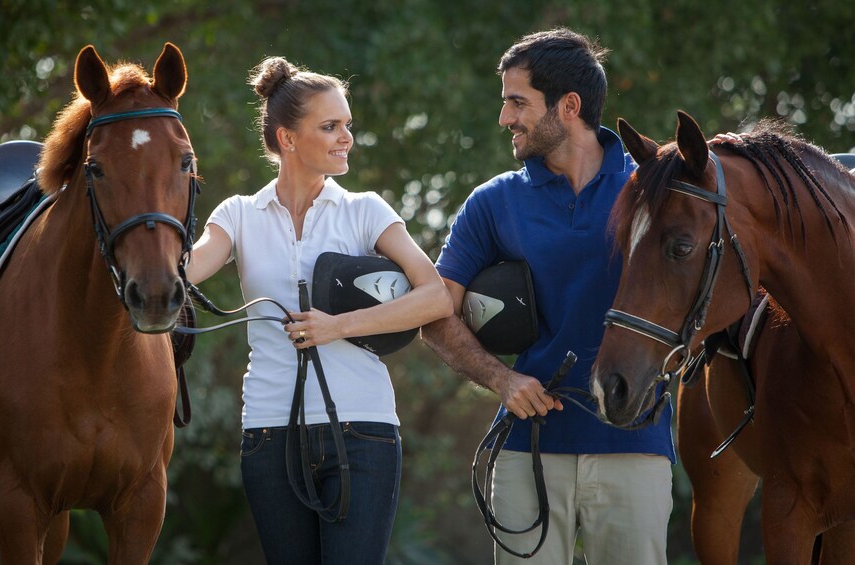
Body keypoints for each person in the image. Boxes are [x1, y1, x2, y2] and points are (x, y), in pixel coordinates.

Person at [421, 28, 674, 564]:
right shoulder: (493, 203)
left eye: (518, 102)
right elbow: (434, 310)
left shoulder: (651, 191)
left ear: (569, 105)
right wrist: (501, 378)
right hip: (526, 450)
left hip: (634, 446)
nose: (505, 118)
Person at [186, 57, 452, 564]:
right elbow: (184, 273)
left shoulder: (366, 210)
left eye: (347, 125)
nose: (346, 137)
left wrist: (340, 326)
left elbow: (434, 296)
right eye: (330, 126)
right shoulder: (237, 215)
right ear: (287, 139)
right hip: (268, 433)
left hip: (363, 430)